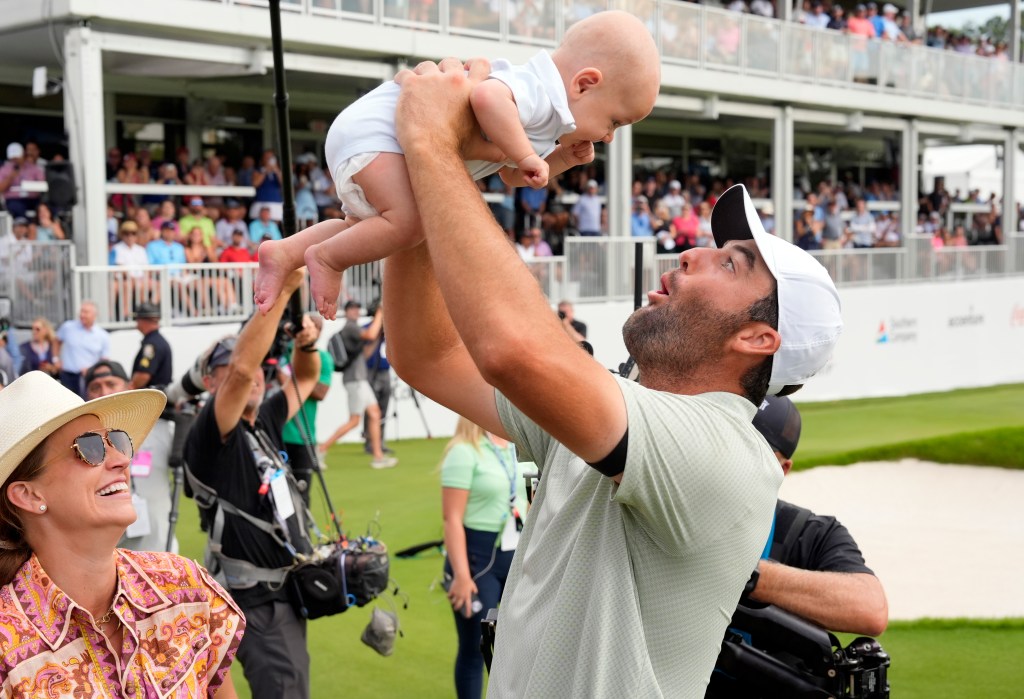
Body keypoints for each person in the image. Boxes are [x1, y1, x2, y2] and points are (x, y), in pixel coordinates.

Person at [382, 58, 842, 697]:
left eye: (731, 265)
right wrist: (442, 168)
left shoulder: (730, 455)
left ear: (757, 339)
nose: (691, 251)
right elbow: (426, 355)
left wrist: (433, 145)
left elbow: (513, 349)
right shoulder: (615, 413)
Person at [253, 10, 661, 319]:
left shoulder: (549, 121)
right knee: (410, 224)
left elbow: (508, 175)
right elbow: (488, 100)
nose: (609, 137)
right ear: (584, 84)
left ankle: (285, 252)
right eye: (614, 122)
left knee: (362, 226)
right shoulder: (538, 90)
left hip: (378, 138)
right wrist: (528, 154)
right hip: (378, 132)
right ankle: (327, 258)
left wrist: (558, 161)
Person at [0, 371, 243, 697]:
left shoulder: (183, 584)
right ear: (29, 495)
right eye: (88, 448)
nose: (121, 460)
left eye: (115, 440)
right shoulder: (6, 644)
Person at [183, 268, 320, 699]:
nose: (255, 373)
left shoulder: (260, 422)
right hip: (256, 598)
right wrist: (282, 291)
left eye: (263, 365)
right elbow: (242, 370)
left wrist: (308, 345)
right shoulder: (209, 433)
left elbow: (306, 378)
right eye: (224, 368)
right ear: (209, 383)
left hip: (281, 589)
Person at [741, 395, 889, 635]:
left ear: (783, 469)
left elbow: (870, 610)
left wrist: (741, 573)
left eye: (754, 452)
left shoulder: (812, 533)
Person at [440, 417, 529, 699]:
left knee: (521, 646)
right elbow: (451, 519)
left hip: (515, 552)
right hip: (476, 560)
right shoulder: (463, 451)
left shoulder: (517, 446)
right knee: (475, 648)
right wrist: (462, 576)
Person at [83, 360, 178, 554]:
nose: (103, 392)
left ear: (130, 387)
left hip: (163, 552)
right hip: (112, 560)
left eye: (111, 384)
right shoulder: (83, 444)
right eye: (95, 387)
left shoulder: (161, 428)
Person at [318, 300, 397, 469]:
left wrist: (378, 332)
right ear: (346, 312)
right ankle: (321, 449)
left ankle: (378, 457)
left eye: (356, 309)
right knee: (354, 421)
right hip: (355, 380)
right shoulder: (351, 328)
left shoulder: (355, 329)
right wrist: (380, 313)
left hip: (360, 379)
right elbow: (369, 335)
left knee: (375, 414)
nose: (354, 312)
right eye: (350, 309)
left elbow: (366, 353)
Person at [280, 313, 334, 507]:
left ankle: (302, 535)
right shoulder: (283, 351)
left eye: (316, 328)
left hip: (302, 436)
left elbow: (321, 392)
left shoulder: (323, 358)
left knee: (302, 493)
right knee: (278, 493)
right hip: (277, 434)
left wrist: (300, 377)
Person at [55, 300, 111, 397]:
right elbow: (56, 341)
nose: (82, 315)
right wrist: (55, 359)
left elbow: (104, 360)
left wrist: (93, 369)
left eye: (86, 312)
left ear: (94, 315)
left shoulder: (102, 335)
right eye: (81, 311)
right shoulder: (68, 327)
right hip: (68, 375)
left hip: (89, 377)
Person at [130, 302, 173, 389]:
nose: (137, 323)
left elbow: (143, 376)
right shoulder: (158, 341)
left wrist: (128, 389)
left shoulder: (152, 345)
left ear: (143, 321)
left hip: (151, 400)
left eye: (137, 319)